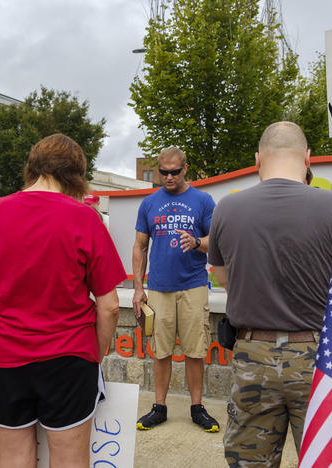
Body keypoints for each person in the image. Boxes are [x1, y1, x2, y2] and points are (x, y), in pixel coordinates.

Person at [208, 121, 332, 467]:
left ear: (257, 160)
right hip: (320, 357)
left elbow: (224, 278)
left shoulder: (227, 208)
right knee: (328, 459)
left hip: (252, 354)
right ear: (308, 159)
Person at [0, 133, 125, 466]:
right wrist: (95, 353)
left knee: (12, 459)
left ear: (32, 168)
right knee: (69, 459)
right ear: (76, 175)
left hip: (0, 357)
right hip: (68, 357)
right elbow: (109, 305)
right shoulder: (84, 218)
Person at [132, 146, 220, 432]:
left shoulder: (203, 201)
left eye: (174, 172)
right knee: (160, 351)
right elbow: (140, 246)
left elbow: (215, 242)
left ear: (185, 168)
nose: (168, 177)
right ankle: (159, 407)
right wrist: (137, 289)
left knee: (195, 351)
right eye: (163, 172)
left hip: (193, 286)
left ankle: (197, 407)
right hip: (158, 288)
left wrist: (196, 242)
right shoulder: (149, 203)